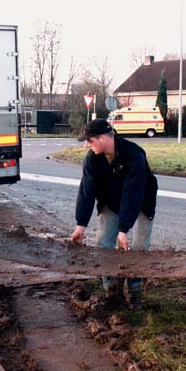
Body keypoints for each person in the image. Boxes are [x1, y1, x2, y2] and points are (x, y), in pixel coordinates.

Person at [70, 119, 158, 310]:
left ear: (103, 139)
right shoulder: (93, 158)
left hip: (141, 201)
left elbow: (132, 193)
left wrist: (123, 230)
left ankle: (135, 293)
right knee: (102, 244)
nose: (88, 145)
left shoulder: (134, 155)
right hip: (111, 199)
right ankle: (111, 291)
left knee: (138, 248)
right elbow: (86, 190)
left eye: (90, 140)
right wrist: (80, 226)